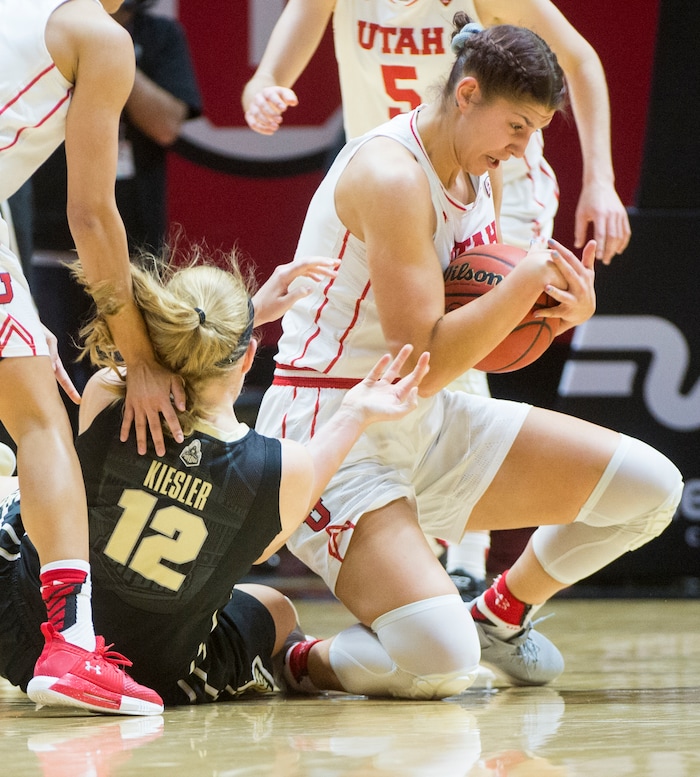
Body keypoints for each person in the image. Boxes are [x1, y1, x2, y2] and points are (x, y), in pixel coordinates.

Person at [253, 17, 683, 699]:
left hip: (423, 416)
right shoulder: (392, 175)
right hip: (334, 433)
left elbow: (480, 333)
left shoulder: (487, 171)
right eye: (516, 126)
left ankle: (501, 614)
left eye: (536, 131)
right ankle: (299, 656)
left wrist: (561, 309)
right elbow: (423, 352)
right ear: (467, 94)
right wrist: (519, 291)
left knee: (651, 489)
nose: (523, 149)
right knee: (439, 663)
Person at [0, 249, 428, 707]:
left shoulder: (108, 392)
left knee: (18, 474)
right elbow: (264, 542)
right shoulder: (282, 469)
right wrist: (357, 411)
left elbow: (180, 352)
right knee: (277, 609)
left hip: (23, 632)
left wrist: (244, 317)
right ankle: (302, 663)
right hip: (149, 675)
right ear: (247, 358)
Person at [0, 0, 187, 714]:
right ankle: (70, 645)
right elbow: (91, 215)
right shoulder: (102, 38)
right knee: (40, 426)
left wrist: (21, 309)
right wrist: (139, 356)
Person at [30, 0, 203, 402]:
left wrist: (107, 53)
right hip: (44, 240)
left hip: (128, 245)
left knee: (123, 385)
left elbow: (165, 125)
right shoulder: (45, 28)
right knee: (43, 387)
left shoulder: (152, 37)